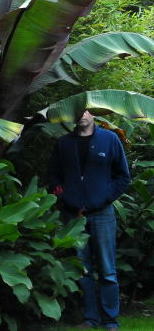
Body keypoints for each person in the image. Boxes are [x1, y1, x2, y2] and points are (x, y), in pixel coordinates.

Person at [48, 110, 131, 330]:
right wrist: (64, 197)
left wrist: (103, 198)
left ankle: (110, 320)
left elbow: (123, 176)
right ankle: (90, 318)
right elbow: (53, 176)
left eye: (86, 110)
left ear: (93, 114)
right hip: (73, 215)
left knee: (107, 270)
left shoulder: (109, 139)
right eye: (77, 110)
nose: (82, 114)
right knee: (82, 270)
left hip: (102, 214)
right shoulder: (64, 143)